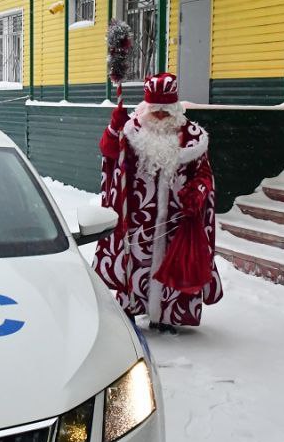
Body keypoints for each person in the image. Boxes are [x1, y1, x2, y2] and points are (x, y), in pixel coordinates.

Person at [93, 73, 223, 333]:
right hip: (137, 218)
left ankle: (168, 317)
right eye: (155, 111)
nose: (161, 116)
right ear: (146, 108)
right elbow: (109, 152)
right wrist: (114, 128)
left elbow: (204, 174)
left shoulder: (193, 137)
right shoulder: (132, 129)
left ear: (175, 108)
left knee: (174, 264)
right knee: (135, 263)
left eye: (166, 111)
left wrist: (196, 193)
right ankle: (131, 308)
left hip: (177, 217)